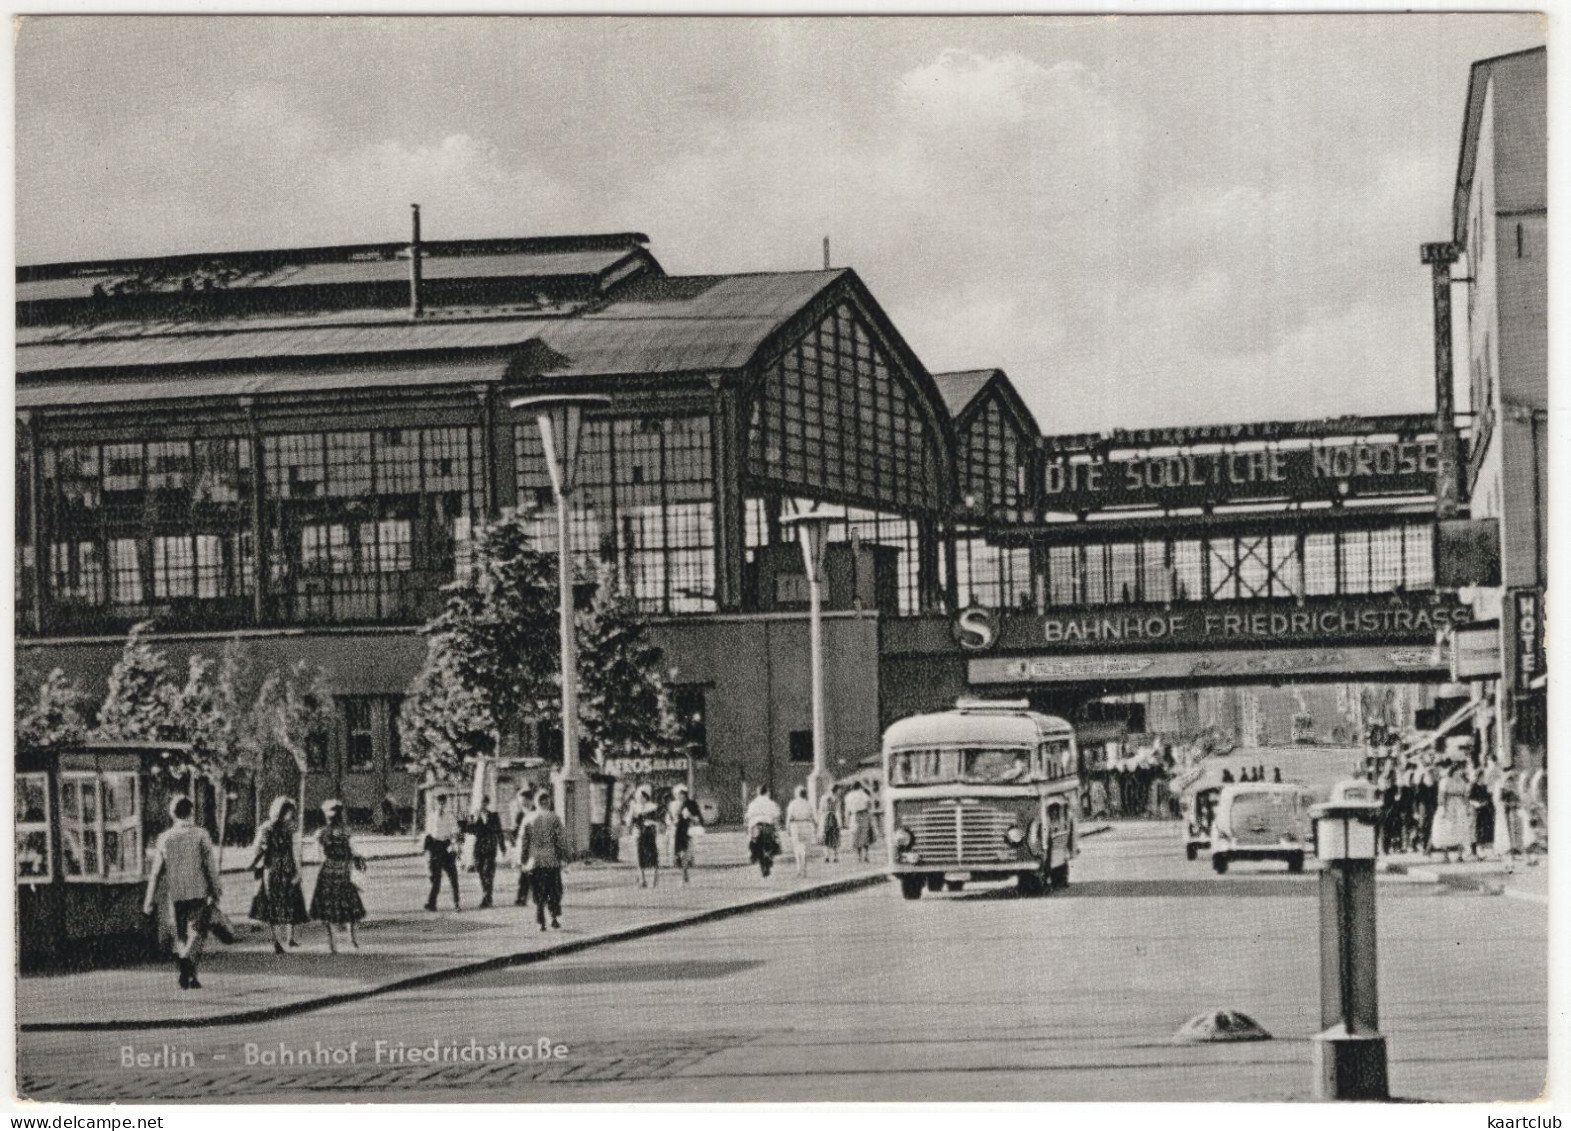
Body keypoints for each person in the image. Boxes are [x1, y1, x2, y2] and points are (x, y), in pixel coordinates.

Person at [142, 796, 222, 990]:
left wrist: (149, 899)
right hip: (198, 890)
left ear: (172, 814)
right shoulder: (201, 835)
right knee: (198, 932)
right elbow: (210, 866)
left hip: (175, 893)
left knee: (181, 935)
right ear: (191, 812)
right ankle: (187, 962)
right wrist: (216, 888)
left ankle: (190, 976)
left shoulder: (164, 838)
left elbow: (156, 872)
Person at [247, 796, 310, 954]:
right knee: (291, 903)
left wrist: (255, 864)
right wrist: (299, 872)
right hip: (288, 869)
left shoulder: (265, 828)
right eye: (290, 811)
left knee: (273, 905)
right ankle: (288, 938)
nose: (291, 815)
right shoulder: (292, 828)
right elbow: (297, 853)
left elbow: (257, 849)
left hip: (271, 870)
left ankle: (277, 940)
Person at [310, 800, 367, 952]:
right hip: (344, 871)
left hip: (328, 871)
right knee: (351, 905)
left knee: (328, 909)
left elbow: (317, 856)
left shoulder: (320, 833)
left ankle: (333, 943)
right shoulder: (346, 832)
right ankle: (352, 937)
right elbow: (355, 851)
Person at [518, 791, 567, 931]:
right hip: (551, 860)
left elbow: (524, 840)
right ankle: (554, 917)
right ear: (548, 802)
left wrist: (522, 859)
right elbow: (561, 840)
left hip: (534, 861)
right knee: (553, 890)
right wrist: (564, 856)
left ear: (536, 802)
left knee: (538, 891)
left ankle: (541, 921)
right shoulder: (555, 818)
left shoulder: (528, 818)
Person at [424, 792, 461, 912]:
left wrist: (454, 846)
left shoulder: (450, 817)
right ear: (436, 803)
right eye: (439, 802)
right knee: (436, 878)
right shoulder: (431, 817)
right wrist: (428, 853)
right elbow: (428, 835)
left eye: (443, 802)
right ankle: (431, 903)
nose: (441, 804)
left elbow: (455, 833)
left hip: (446, 847)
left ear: (445, 803)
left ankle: (456, 903)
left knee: (453, 877)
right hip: (435, 847)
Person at [467, 796, 504, 909]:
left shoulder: (494, 816)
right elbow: (470, 830)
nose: (483, 805)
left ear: (487, 803)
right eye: (481, 803)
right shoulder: (474, 816)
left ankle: (486, 898)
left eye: (485, 802)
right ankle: (487, 896)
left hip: (490, 848)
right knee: (481, 873)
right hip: (479, 848)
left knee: (488, 872)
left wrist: (502, 846)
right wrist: (473, 819)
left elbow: (499, 831)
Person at [1429, 763, 1470, 864]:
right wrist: (1441, 807)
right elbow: (1441, 795)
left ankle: (1460, 855)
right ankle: (1445, 855)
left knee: (1461, 828)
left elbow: (1465, 796)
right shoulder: (1445, 781)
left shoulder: (1462, 781)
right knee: (1446, 828)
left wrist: (1467, 807)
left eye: (1461, 770)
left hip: (1460, 806)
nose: (1460, 772)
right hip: (1448, 806)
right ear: (1453, 770)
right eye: (1458, 770)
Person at [626, 785, 662, 888]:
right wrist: (631, 814)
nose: (641, 799)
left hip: (650, 834)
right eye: (639, 797)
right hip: (638, 834)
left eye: (643, 797)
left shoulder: (652, 807)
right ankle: (642, 880)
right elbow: (629, 821)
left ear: (647, 797)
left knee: (652, 855)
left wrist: (652, 823)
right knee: (639, 856)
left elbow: (659, 822)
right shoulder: (635, 807)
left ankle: (655, 878)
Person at [668, 785, 703, 884]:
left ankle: (684, 874)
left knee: (685, 852)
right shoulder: (672, 804)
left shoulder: (691, 804)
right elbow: (668, 817)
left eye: (681, 794)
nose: (679, 796)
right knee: (676, 854)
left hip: (687, 830)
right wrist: (670, 822)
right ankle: (684, 872)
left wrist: (690, 816)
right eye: (677, 794)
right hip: (675, 831)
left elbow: (698, 819)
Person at [744, 786, 782, 877]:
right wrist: (777, 827)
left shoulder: (752, 803)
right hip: (768, 825)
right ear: (767, 792)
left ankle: (753, 856)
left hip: (756, 826)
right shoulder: (771, 803)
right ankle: (770, 856)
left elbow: (748, 816)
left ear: (758, 793)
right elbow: (777, 815)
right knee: (774, 843)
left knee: (754, 844)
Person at [785, 786, 816, 877]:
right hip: (806, 824)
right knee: (805, 848)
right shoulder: (808, 804)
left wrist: (787, 828)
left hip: (796, 826)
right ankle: (804, 869)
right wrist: (814, 828)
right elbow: (812, 816)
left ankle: (799, 869)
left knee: (797, 848)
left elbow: (789, 816)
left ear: (797, 794)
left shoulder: (793, 804)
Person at [844, 782, 875, 862]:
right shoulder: (864, 794)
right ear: (860, 787)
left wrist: (846, 820)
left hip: (854, 816)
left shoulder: (849, 796)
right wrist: (870, 817)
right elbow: (869, 805)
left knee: (857, 836)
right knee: (865, 836)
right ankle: (866, 855)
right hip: (864, 815)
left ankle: (859, 856)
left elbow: (847, 809)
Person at [1468, 768, 1494, 859]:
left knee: (1483, 829)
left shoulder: (1485, 787)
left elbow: (1488, 798)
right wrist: (1477, 804)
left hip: (1484, 810)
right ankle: (1474, 850)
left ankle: (1481, 850)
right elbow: (1470, 798)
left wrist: (1485, 802)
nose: (1483, 778)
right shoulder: (1473, 786)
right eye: (1481, 776)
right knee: (1475, 829)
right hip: (1475, 810)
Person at [818, 785, 842, 865]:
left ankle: (827, 856)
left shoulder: (823, 798)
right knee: (834, 836)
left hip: (825, 818)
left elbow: (821, 810)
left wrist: (820, 820)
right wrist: (840, 822)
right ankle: (836, 857)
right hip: (833, 817)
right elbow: (838, 810)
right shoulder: (836, 798)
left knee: (826, 837)